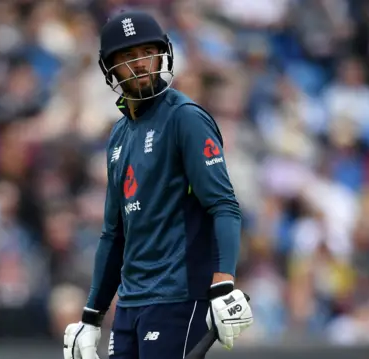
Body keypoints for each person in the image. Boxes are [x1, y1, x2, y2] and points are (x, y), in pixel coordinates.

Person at [63, 10, 253, 359]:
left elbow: (223, 204)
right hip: (131, 304)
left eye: (147, 53)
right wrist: (92, 316)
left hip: (179, 298)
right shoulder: (119, 136)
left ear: (163, 54)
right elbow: (113, 233)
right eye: (128, 58)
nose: (141, 65)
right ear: (110, 70)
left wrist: (223, 284)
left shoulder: (186, 119)